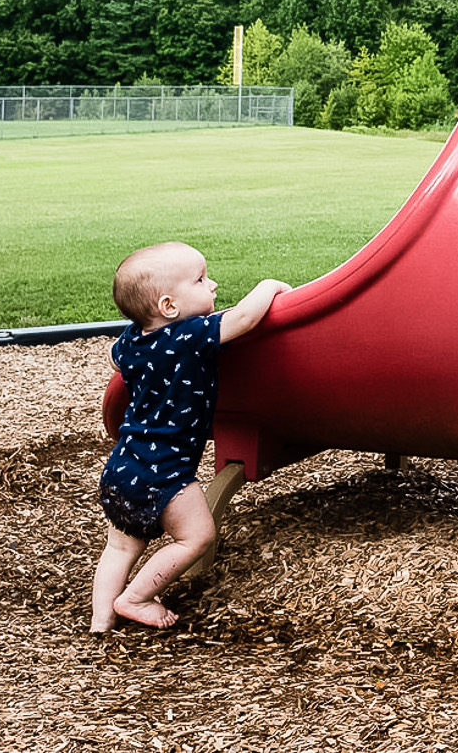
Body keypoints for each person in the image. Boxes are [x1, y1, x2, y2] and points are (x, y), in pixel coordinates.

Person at [89, 242, 288, 633]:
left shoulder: (131, 342)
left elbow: (114, 358)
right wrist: (271, 285)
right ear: (168, 306)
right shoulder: (190, 336)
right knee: (196, 537)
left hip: (123, 464)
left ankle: (101, 620)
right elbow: (245, 317)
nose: (212, 285)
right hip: (166, 470)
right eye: (200, 279)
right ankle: (136, 598)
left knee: (120, 546)